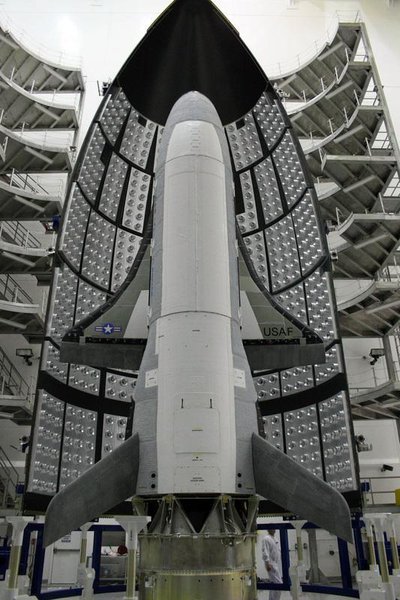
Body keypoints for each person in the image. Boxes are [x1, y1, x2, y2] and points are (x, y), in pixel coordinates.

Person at [262, 529, 282, 600]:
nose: (273, 529)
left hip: (275, 563)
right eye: (271, 528)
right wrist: (267, 563)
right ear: (268, 529)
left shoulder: (275, 539)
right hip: (271, 563)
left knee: (274, 583)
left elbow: (277, 551)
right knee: (278, 583)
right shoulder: (266, 539)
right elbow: (265, 551)